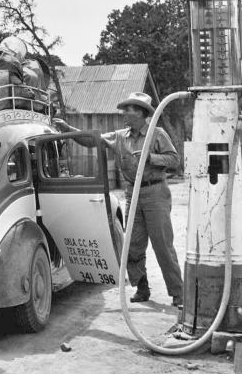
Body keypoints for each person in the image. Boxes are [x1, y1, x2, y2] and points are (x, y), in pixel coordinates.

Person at [54, 91, 183, 307]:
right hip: (133, 193)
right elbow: (93, 140)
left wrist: (149, 157)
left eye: (128, 109)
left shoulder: (156, 133)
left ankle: (178, 293)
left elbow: (174, 160)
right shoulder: (120, 136)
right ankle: (142, 288)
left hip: (155, 192)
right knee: (133, 245)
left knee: (163, 245)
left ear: (140, 113)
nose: (123, 113)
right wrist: (69, 131)